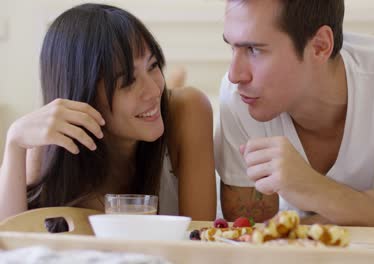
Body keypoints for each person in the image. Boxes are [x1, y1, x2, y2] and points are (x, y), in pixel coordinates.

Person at [215, 0, 374, 248]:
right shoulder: (242, 98)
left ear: (319, 46)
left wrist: (322, 193)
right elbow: (247, 240)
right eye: (232, 47)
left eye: (254, 50)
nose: (235, 74)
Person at [0, 3, 216, 222]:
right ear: (84, 94)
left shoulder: (189, 110)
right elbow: (12, 245)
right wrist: (14, 144)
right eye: (128, 81)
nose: (153, 90)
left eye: (153, 65)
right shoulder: (50, 145)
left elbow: (201, 240)